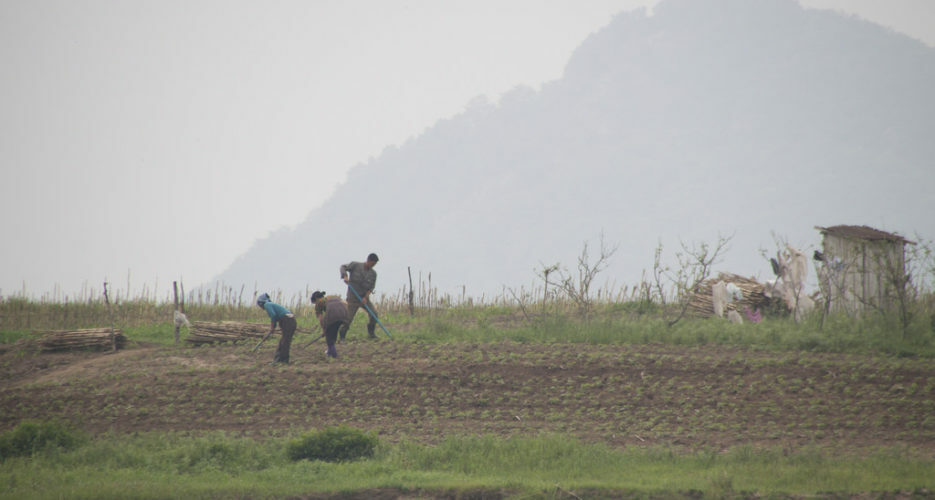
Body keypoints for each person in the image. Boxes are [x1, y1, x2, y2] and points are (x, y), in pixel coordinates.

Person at [338, 253, 379, 340]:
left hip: (364, 298)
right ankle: (342, 335)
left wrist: (365, 297)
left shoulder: (373, 274)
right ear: (368, 260)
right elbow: (343, 267)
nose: (373, 266)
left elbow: (371, 288)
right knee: (348, 318)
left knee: (374, 314)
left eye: (374, 265)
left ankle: (371, 333)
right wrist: (345, 276)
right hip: (353, 297)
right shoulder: (355, 265)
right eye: (372, 264)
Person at [256, 292, 297, 363]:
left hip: (288, 321)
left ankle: (283, 360)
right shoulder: (271, 304)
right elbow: (275, 317)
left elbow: (273, 315)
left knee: (285, 341)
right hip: (289, 321)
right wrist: (273, 327)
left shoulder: (267, 304)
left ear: (261, 303)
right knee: (284, 341)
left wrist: (272, 327)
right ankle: (279, 360)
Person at [311, 290, 348, 358]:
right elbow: (345, 304)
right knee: (334, 330)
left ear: (316, 299)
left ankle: (334, 355)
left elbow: (321, 318)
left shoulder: (319, 302)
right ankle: (329, 351)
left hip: (333, 315)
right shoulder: (332, 297)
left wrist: (324, 330)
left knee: (329, 338)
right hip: (344, 314)